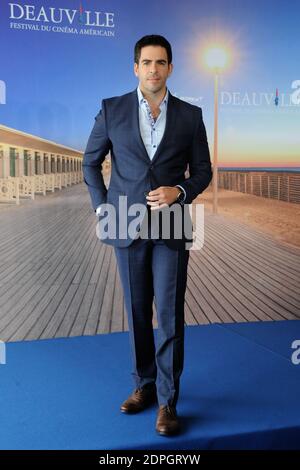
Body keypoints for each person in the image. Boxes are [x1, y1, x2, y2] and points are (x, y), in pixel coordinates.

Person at [83, 34, 212, 436]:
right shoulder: (111, 109)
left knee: (170, 315)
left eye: (161, 62)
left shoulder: (191, 115)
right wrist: (104, 208)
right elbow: (90, 164)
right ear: (135, 67)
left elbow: (204, 171)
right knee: (138, 311)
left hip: (172, 226)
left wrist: (181, 191)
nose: (153, 69)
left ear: (170, 68)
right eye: (146, 62)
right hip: (125, 224)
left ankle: (168, 402)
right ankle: (143, 386)